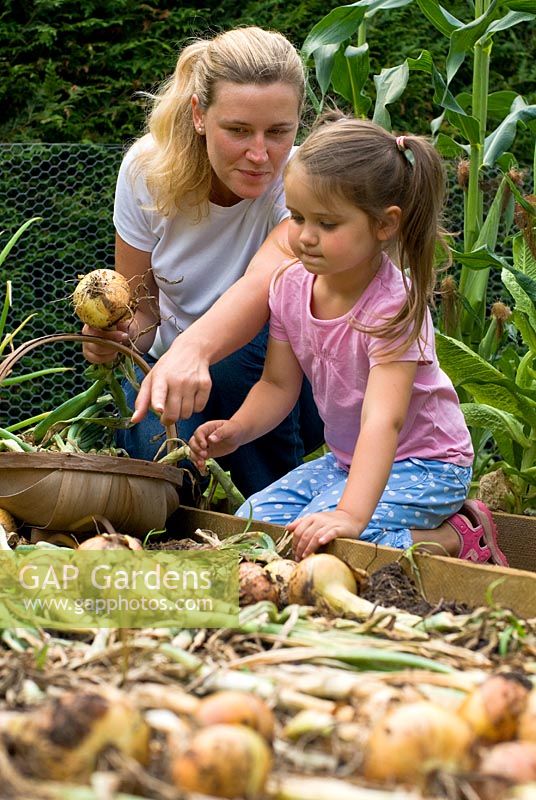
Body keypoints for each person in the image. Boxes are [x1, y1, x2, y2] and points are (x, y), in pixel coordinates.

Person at [188, 114, 509, 566]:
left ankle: (458, 537)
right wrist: (235, 431)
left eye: (328, 224)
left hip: (428, 465)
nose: (305, 237)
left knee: (331, 542)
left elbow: (384, 422)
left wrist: (350, 515)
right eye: (297, 217)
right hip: (347, 461)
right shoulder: (290, 286)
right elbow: (278, 387)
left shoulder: (392, 306)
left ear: (384, 224)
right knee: (255, 523)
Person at [81, 26, 323, 497]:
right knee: (152, 454)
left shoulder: (302, 185)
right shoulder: (145, 173)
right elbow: (143, 309)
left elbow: (260, 289)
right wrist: (116, 337)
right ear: (198, 115)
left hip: (281, 381)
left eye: (279, 132)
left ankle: (266, 512)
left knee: (245, 349)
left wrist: (193, 350)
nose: (260, 154)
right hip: (174, 371)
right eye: (237, 130)